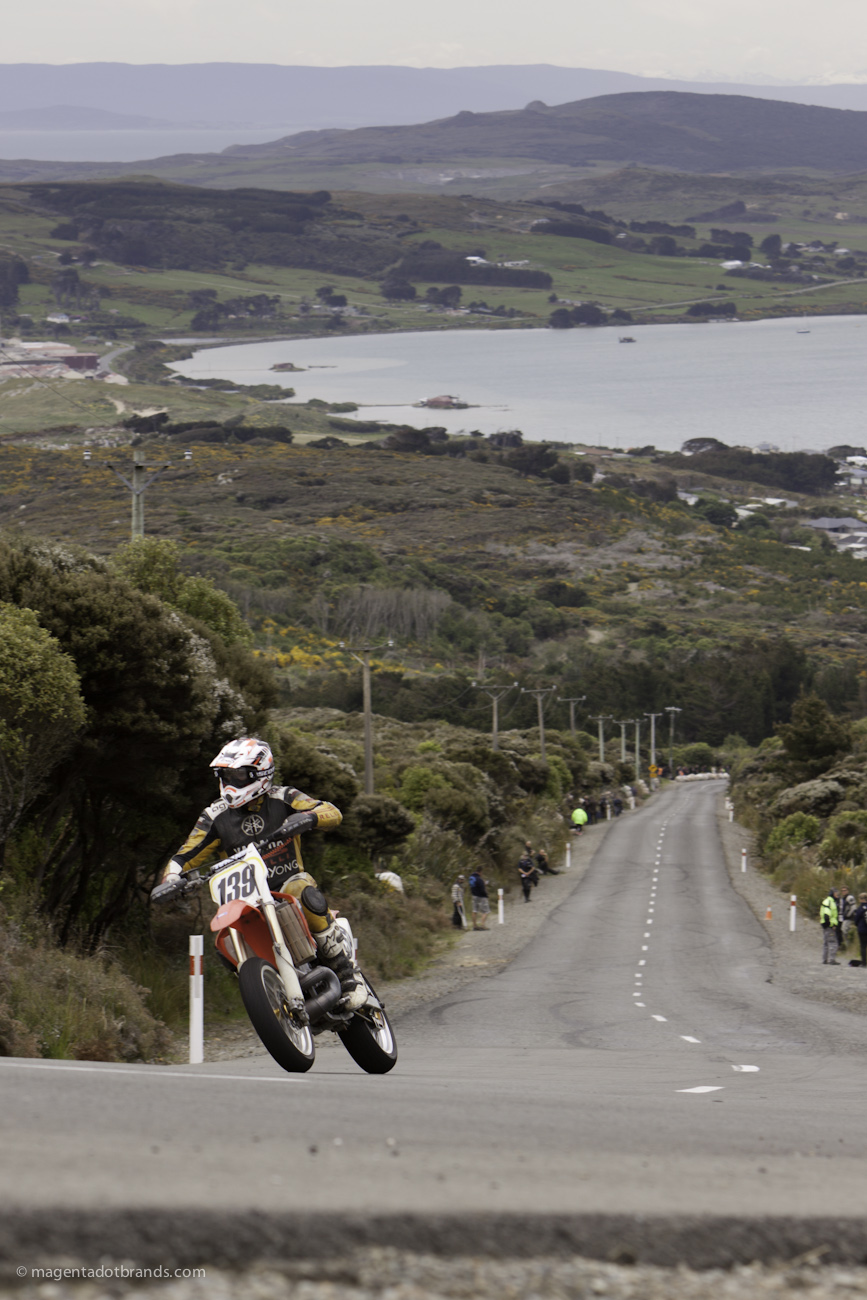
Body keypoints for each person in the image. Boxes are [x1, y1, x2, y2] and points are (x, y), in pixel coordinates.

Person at [153, 737, 366, 1010]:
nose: (231, 782)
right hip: (246, 898)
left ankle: (349, 977)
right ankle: (268, 993)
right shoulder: (214, 816)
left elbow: (331, 811)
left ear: (261, 773)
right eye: (226, 775)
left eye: (239, 775)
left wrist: (309, 817)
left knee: (301, 890)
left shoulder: (283, 797)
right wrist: (171, 879)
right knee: (225, 938)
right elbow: (184, 855)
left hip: (287, 885)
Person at [820, 887, 841, 966]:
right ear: (832, 893)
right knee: (833, 943)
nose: (838, 895)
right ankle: (832, 960)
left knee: (826, 943)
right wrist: (831, 925)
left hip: (827, 925)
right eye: (836, 893)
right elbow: (826, 915)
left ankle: (824, 959)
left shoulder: (829, 901)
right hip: (829, 926)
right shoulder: (829, 902)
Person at [853, 893, 867, 968]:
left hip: (862, 929)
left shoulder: (860, 908)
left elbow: (856, 919)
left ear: (860, 899)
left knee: (863, 946)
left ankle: (864, 963)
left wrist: (857, 924)